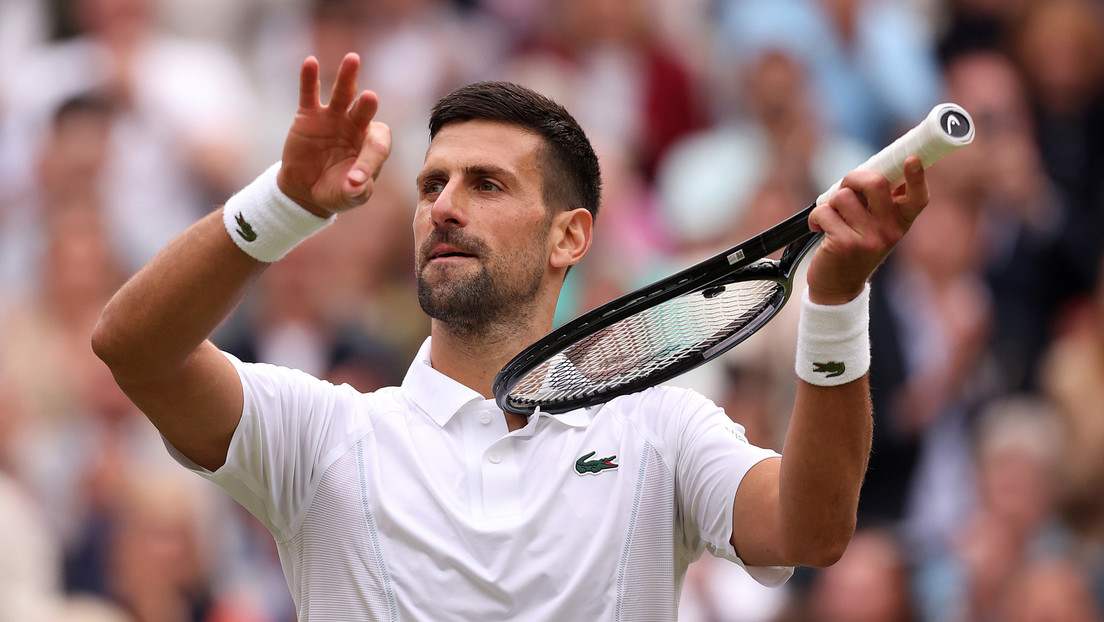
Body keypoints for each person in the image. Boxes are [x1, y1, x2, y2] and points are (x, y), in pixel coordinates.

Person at [92, 52, 931, 619]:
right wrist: (283, 205)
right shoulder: (323, 433)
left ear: (571, 236)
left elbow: (813, 529)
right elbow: (133, 347)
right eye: (432, 185)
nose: (445, 205)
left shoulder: (661, 432)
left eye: (486, 184)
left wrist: (837, 300)